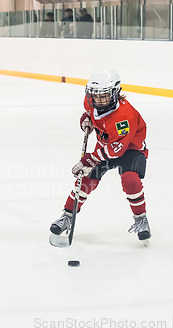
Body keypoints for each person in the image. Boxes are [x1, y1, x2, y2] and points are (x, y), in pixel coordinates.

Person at [50, 69, 151, 244]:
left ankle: (141, 219)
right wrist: (86, 119)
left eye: (104, 96)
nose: (98, 100)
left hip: (130, 150)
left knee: (130, 179)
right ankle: (67, 216)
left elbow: (116, 150)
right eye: (95, 95)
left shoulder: (123, 117)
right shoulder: (92, 102)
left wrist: (91, 158)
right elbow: (91, 114)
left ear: (115, 93)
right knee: (87, 179)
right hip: (106, 147)